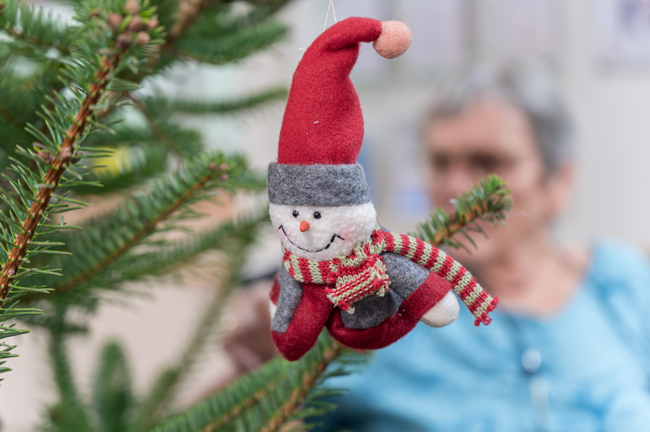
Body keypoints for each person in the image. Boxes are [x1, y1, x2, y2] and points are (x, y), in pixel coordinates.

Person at [315, 63, 650, 431]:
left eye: (489, 162)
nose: (456, 186)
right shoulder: (378, 306)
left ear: (560, 180)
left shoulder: (622, 285)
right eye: (440, 163)